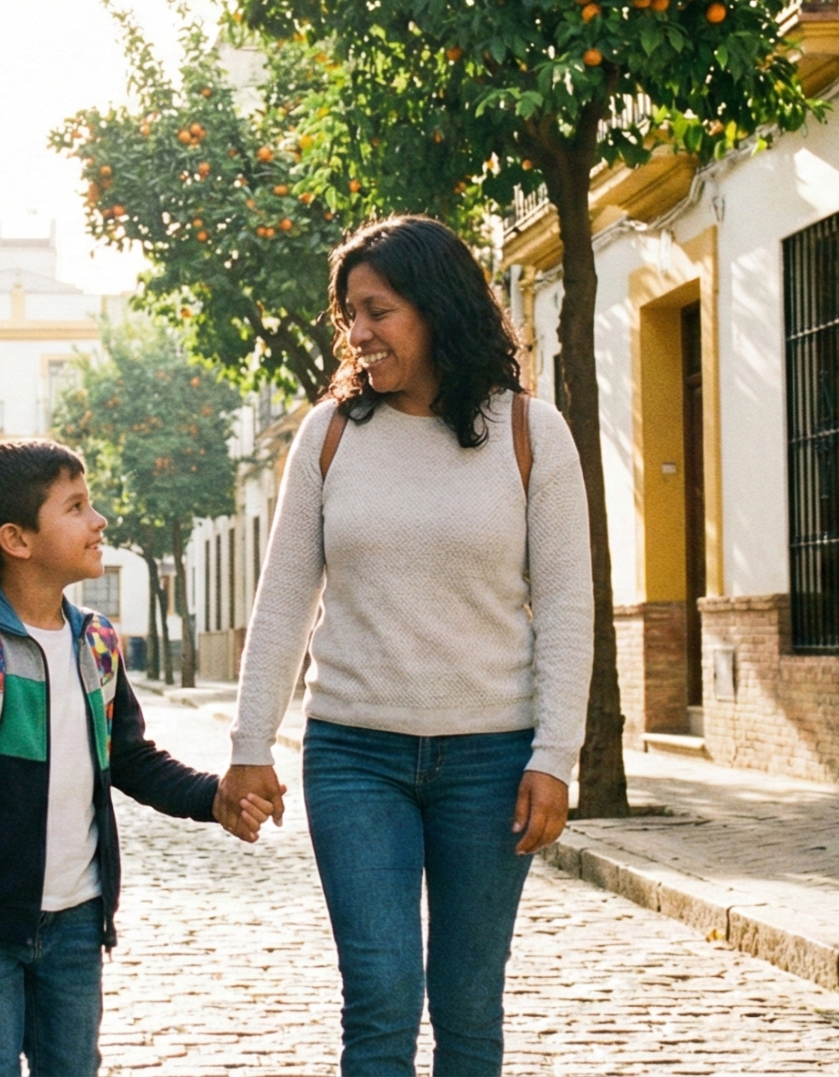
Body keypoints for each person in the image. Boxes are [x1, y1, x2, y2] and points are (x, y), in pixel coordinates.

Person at [219, 216, 593, 1075]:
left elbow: (570, 604)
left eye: (378, 310)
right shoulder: (329, 434)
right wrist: (249, 747)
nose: (359, 333)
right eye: (350, 313)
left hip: (493, 759)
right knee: (381, 996)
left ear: (436, 308)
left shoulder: (532, 434)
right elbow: (282, 600)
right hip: (355, 755)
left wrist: (556, 757)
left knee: (468, 1004)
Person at [0, 438, 270, 1075]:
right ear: (17, 540)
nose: (98, 522)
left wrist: (214, 797)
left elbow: (131, 759)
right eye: (76, 507)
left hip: (77, 920)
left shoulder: (95, 640)